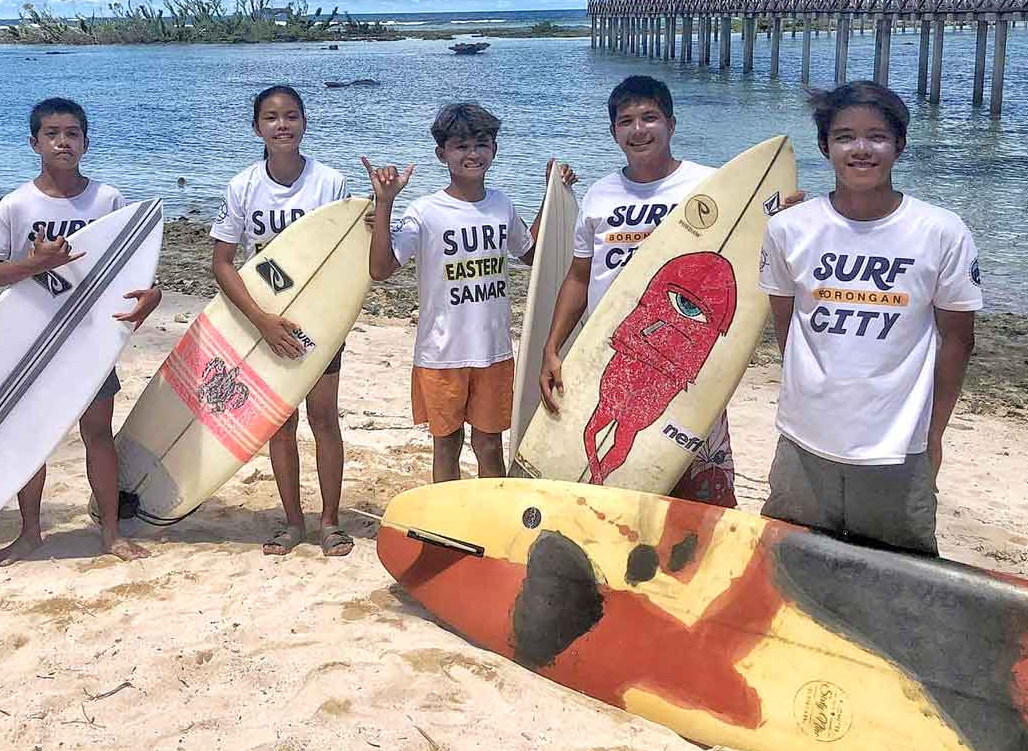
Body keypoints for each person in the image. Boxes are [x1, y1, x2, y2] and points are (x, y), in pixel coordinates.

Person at [758, 80, 980, 555]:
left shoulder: (940, 231)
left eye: (876, 136)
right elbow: (786, 324)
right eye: (844, 137)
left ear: (900, 144)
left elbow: (957, 340)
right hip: (803, 440)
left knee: (898, 583)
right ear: (825, 147)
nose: (861, 149)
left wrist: (933, 433)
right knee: (790, 564)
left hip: (898, 446)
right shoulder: (787, 229)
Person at [539, 74, 743, 505]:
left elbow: (742, 264)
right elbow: (579, 277)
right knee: (608, 461)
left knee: (696, 476)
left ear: (671, 123)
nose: (638, 130)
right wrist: (552, 347)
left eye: (649, 117)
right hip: (617, 353)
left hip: (681, 365)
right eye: (626, 120)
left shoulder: (710, 187)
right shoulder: (599, 195)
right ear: (613, 131)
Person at [0, 97, 161, 563]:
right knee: (30, 436)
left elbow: (132, 268)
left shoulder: (108, 199)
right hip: (33, 337)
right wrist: (34, 264)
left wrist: (151, 296)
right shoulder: (15, 206)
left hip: (91, 338)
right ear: (33, 142)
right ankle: (30, 531)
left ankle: (110, 534)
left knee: (98, 432)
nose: (63, 141)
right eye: (52, 133)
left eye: (73, 133)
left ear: (85, 141)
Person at [365, 102, 572, 484]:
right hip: (441, 354)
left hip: (493, 352)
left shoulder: (502, 205)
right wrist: (385, 203)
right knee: (447, 445)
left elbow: (530, 253)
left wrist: (552, 196)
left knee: (490, 444)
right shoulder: (425, 211)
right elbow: (380, 269)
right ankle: (448, 530)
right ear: (441, 153)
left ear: (494, 149)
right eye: (460, 146)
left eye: (482, 143)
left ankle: (486, 524)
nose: (472, 153)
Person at [209, 85, 354, 558]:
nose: (282, 125)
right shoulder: (243, 186)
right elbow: (224, 262)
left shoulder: (329, 183)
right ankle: (292, 521)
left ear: (305, 122)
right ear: (257, 128)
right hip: (265, 322)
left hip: (321, 320)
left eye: (291, 115)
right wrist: (259, 320)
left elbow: (349, 251)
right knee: (280, 424)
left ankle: (329, 521)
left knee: (325, 418)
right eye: (271, 118)